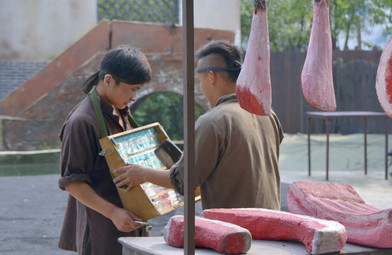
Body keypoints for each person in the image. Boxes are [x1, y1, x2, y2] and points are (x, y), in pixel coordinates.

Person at [113, 40, 283, 210]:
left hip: (235, 229)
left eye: (199, 79)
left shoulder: (213, 121)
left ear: (211, 77)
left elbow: (183, 181)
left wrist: (143, 174)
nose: (200, 86)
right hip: (271, 223)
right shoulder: (266, 114)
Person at [57, 45, 152, 255]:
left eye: (138, 90)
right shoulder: (81, 121)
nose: (134, 96)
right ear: (108, 80)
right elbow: (73, 182)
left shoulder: (119, 110)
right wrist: (112, 212)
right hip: (100, 233)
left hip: (130, 227)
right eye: (131, 89)